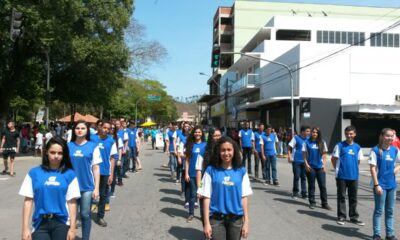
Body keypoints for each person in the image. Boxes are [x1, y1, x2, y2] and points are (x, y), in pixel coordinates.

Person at [19, 137, 80, 240]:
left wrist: (72, 228)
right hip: (40, 223)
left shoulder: (70, 175)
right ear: (46, 152)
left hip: (62, 222)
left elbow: (72, 202)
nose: (56, 156)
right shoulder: (33, 173)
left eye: (60, 153)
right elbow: (28, 201)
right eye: (52, 152)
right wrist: (25, 229)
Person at [198, 137, 252, 240]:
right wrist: (206, 223)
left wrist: (246, 222)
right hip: (216, 220)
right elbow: (206, 197)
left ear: (234, 151)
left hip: (236, 220)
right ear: (218, 152)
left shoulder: (241, 171)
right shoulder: (210, 170)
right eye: (223, 150)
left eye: (229, 150)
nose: (226, 153)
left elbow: (244, 197)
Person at [68, 121, 102, 240]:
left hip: (87, 187)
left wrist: (96, 188)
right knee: (70, 215)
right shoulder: (68, 146)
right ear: (74, 130)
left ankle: (85, 238)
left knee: (84, 214)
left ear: (87, 130)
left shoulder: (93, 146)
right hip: (70, 187)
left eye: (83, 128)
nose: (80, 130)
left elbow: (96, 168)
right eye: (77, 128)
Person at [369, 128, 400, 240]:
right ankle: (376, 234)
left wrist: (395, 170)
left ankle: (389, 234)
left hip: (392, 185)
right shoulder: (375, 150)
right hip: (380, 185)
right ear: (382, 136)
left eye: (392, 136)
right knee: (379, 210)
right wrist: (377, 185)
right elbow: (372, 169)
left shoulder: (395, 150)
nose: (390, 138)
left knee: (390, 211)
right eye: (387, 136)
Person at [331, 125, 365, 226]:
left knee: (353, 197)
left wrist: (353, 170)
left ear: (354, 134)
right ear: (345, 134)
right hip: (341, 176)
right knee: (341, 196)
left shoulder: (358, 147)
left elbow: (358, 161)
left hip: (354, 176)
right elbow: (333, 159)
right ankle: (341, 216)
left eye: (351, 134)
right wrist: (337, 170)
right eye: (347, 134)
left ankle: (354, 217)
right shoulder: (339, 145)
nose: (349, 135)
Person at [91, 121, 117, 227]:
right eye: (104, 127)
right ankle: (84, 215)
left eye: (108, 128)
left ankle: (100, 217)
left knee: (103, 195)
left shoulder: (111, 141)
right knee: (88, 194)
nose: (106, 130)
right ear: (99, 127)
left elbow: (112, 158)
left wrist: (111, 174)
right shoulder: (91, 138)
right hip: (91, 172)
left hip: (105, 172)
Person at [302, 127, 332, 210]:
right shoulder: (306, 142)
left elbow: (324, 155)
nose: (314, 134)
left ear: (318, 134)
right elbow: (304, 154)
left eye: (316, 132)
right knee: (311, 186)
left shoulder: (322, 142)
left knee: (322, 186)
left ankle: (324, 203)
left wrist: (324, 166)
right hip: (311, 167)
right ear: (311, 133)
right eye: (313, 132)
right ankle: (312, 202)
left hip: (320, 168)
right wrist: (306, 164)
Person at [184, 126, 207, 223]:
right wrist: (186, 174)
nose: (197, 134)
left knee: (202, 194)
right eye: (196, 132)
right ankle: (191, 213)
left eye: (199, 132)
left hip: (203, 175)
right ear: (193, 133)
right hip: (192, 174)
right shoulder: (190, 145)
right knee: (193, 195)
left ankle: (203, 215)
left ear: (202, 134)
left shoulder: (206, 145)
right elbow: (187, 161)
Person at [288, 125, 310, 199]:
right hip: (296, 161)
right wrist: (289, 156)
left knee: (303, 177)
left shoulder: (308, 139)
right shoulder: (296, 138)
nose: (308, 133)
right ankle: (295, 192)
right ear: (302, 131)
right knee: (297, 176)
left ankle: (304, 193)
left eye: (309, 131)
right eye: (307, 131)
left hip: (305, 161)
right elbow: (289, 146)